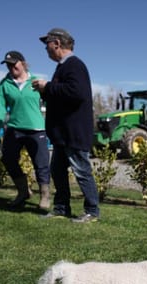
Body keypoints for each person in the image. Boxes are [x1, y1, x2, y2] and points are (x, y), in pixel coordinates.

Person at [32, 28, 99, 223]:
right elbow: (63, 96)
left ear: (57, 43)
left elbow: (76, 93)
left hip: (73, 132)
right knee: (58, 172)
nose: (46, 48)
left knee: (82, 171)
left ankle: (92, 211)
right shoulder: (64, 66)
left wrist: (48, 86)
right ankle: (61, 208)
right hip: (63, 133)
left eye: (47, 44)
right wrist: (45, 91)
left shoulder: (74, 65)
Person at [0, 50, 51, 209]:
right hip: (14, 128)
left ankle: (45, 195)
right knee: (8, 159)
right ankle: (23, 191)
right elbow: (0, 105)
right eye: (8, 65)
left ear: (23, 63)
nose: (11, 68)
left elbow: (50, 101)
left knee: (41, 164)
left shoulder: (36, 82)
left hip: (36, 128)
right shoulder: (5, 84)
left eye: (14, 64)